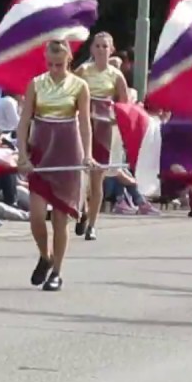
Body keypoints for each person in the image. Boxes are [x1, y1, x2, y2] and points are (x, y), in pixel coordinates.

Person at [16, 40, 95, 292]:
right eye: (50, 64)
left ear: (69, 60)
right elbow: (24, 121)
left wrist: (87, 155)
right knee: (36, 217)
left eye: (59, 64)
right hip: (42, 151)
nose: (54, 69)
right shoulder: (36, 84)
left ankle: (57, 272)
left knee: (60, 219)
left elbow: (84, 123)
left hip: (68, 151)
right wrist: (22, 155)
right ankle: (45, 254)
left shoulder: (80, 86)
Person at [73, 32, 129, 241]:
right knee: (79, 175)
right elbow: (70, 94)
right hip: (85, 124)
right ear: (92, 49)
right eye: (97, 46)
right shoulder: (83, 71)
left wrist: (118, 118)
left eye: (105, 46)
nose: (101, 50)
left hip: (104, 128)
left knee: (97, 179)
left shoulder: (116, 75)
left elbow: (125, 105)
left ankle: (92, 224)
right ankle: (83, 210)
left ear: (111, 49)